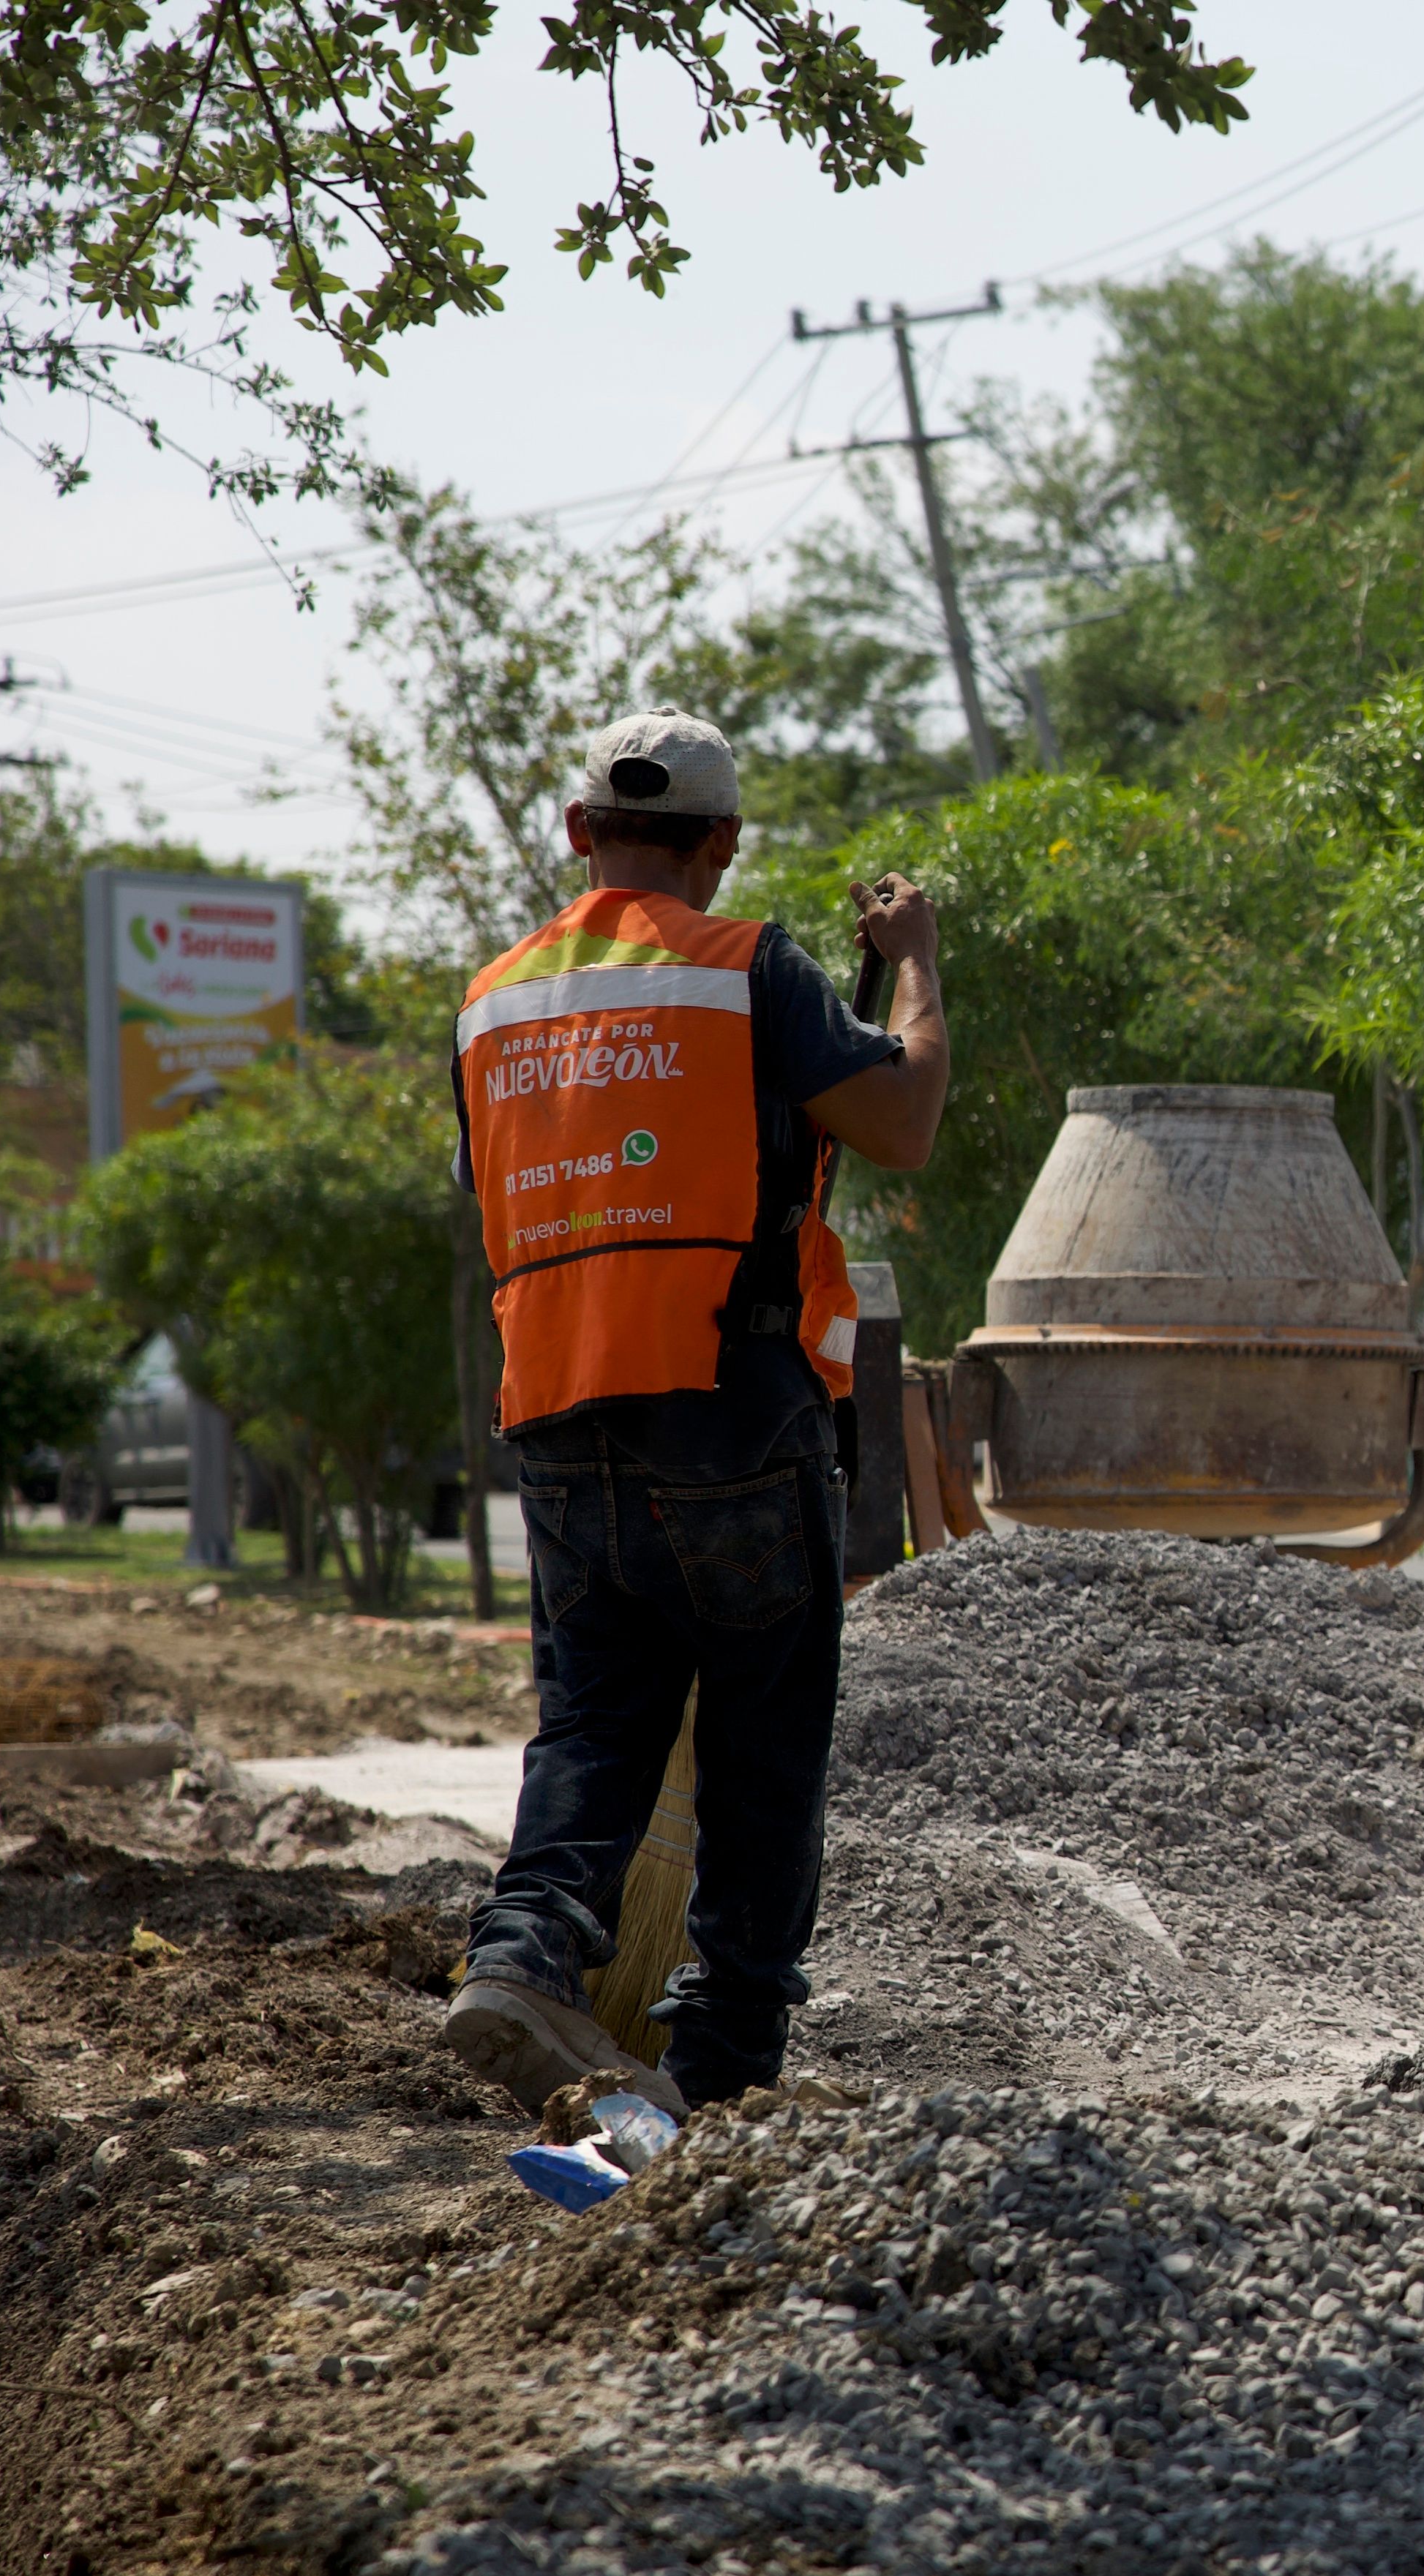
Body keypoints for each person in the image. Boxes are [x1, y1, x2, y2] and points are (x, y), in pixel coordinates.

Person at [439, 709, 949, 2118]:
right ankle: (720, 2064)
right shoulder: (747, 967)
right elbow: (900, 1120)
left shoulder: (491, 1002)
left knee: (594, 1724)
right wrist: (911, 969)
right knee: (764, 1748)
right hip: (728, 1417)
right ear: (719, 844)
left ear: (574, 833)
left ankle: (526, 1952)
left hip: (555, 1419)